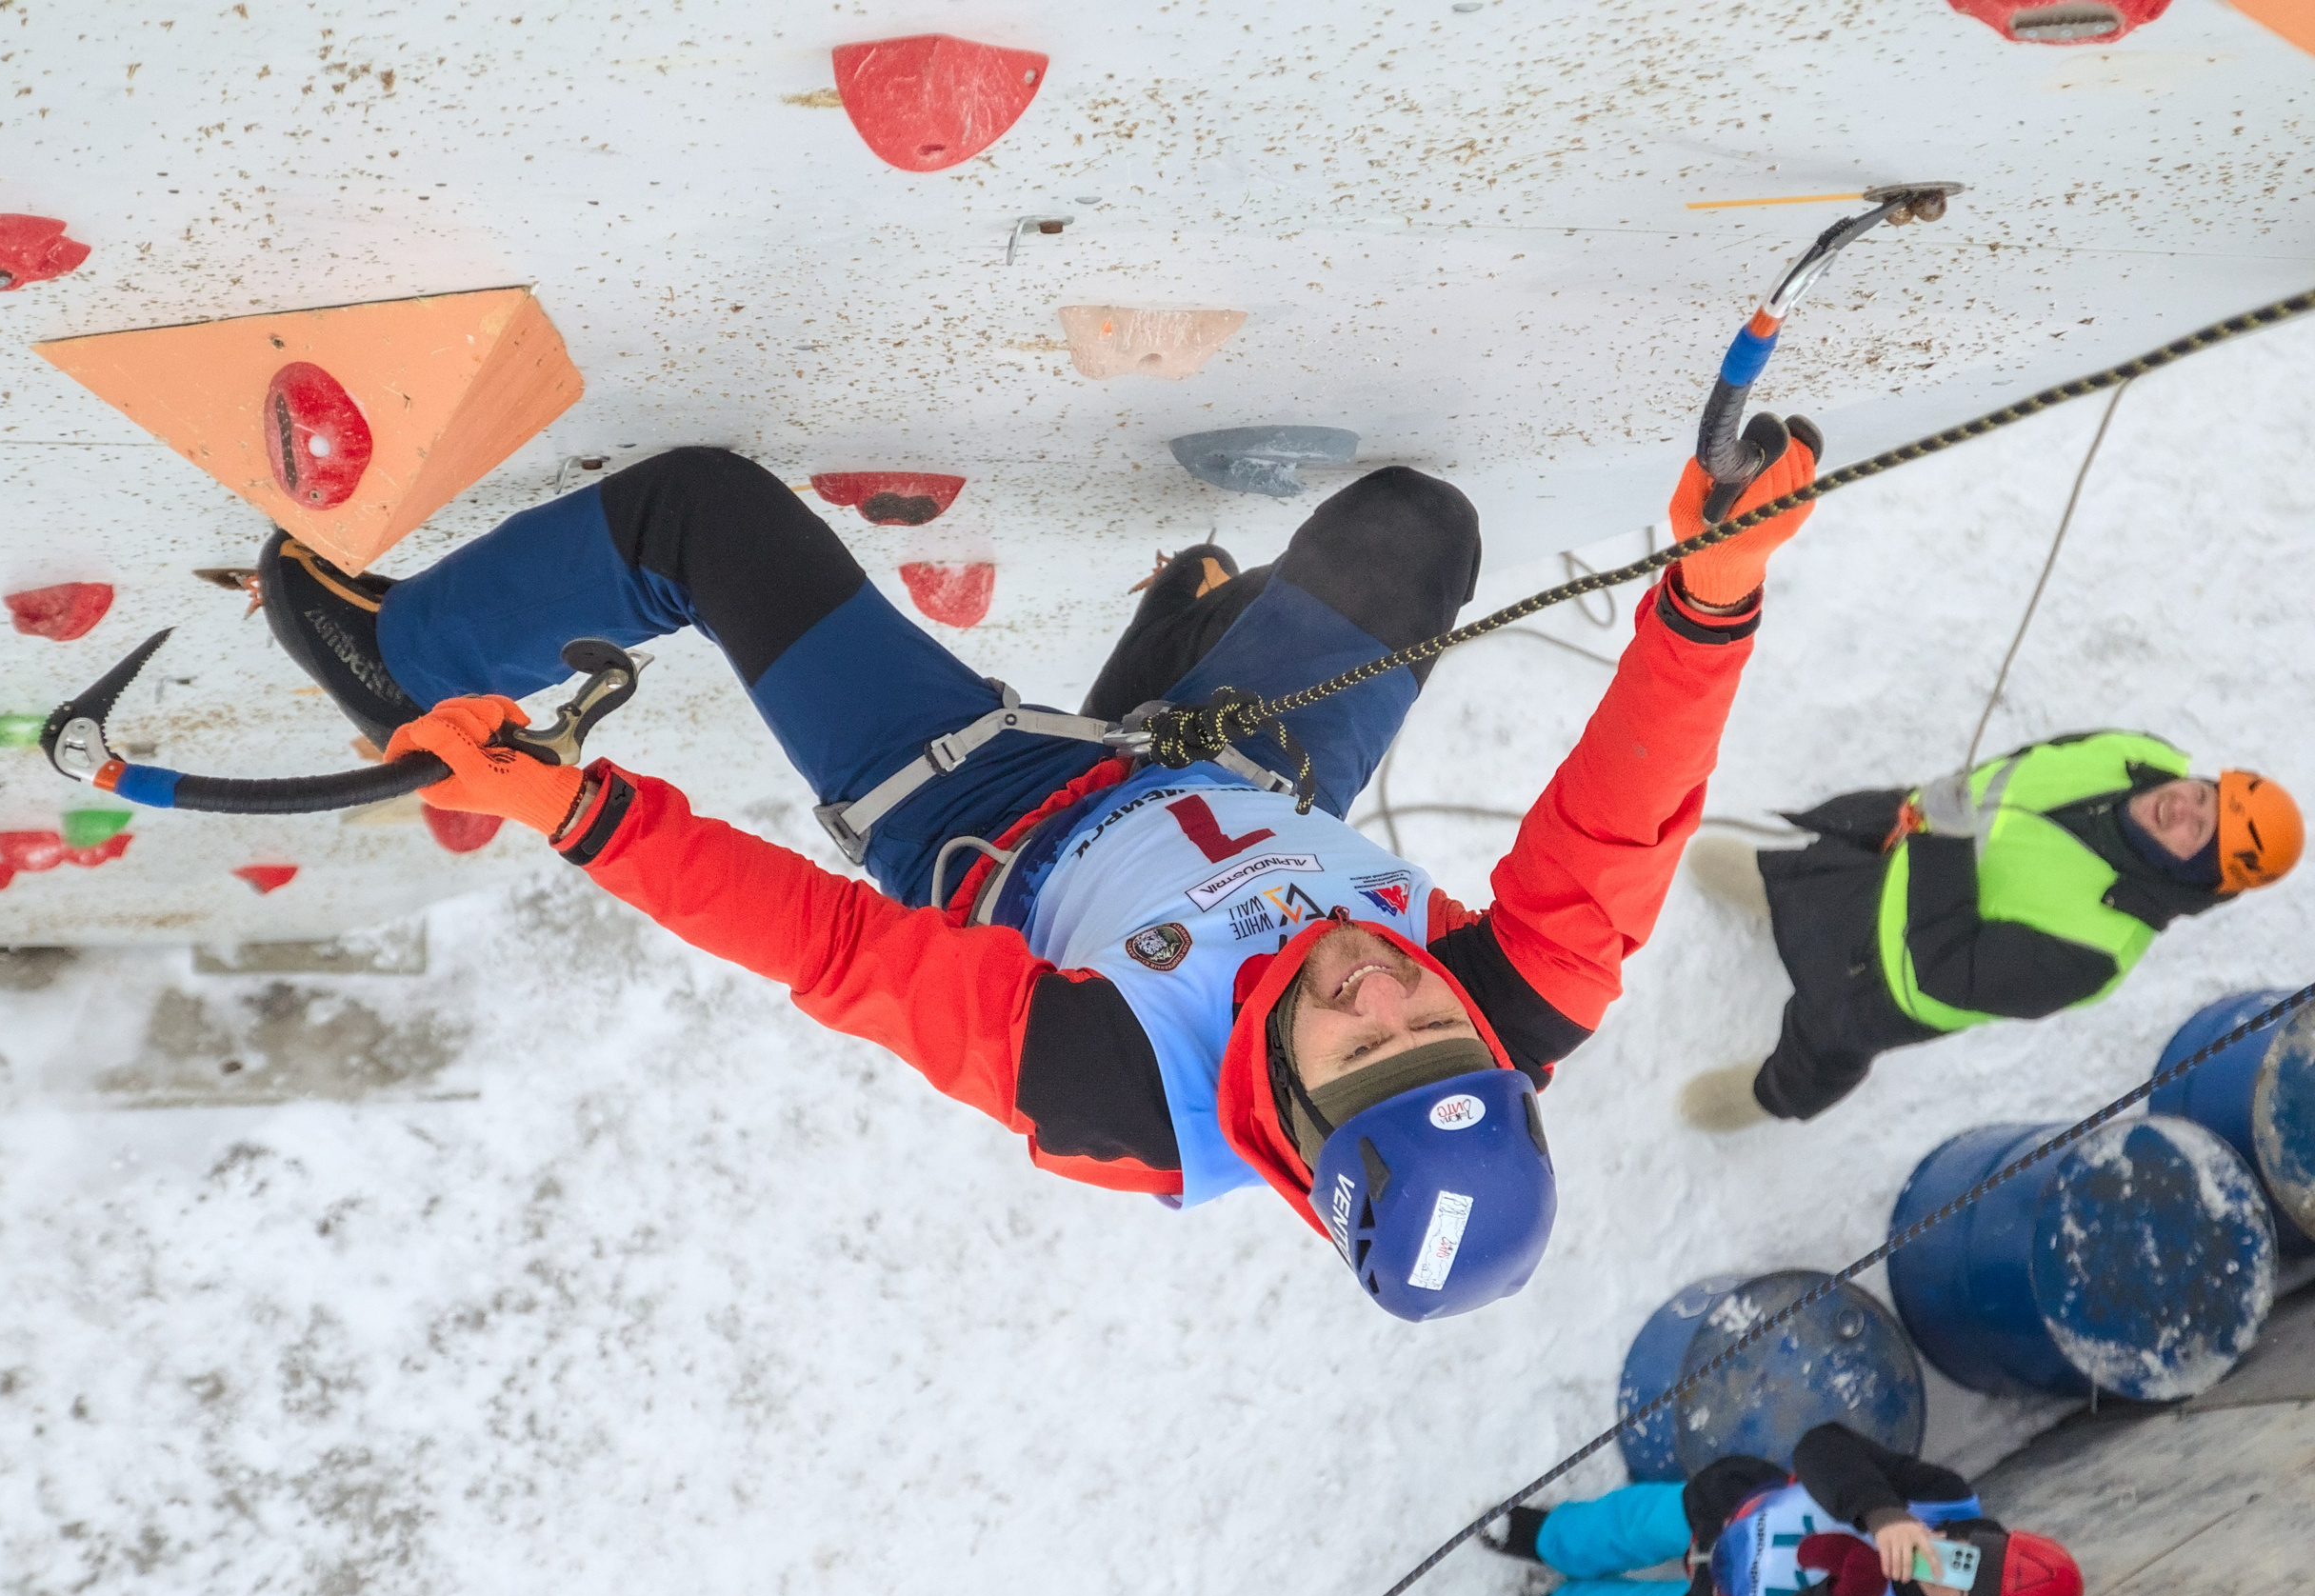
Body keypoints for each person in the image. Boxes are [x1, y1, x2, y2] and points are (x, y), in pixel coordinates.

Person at [253, 417, 1820, 1322]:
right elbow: (1634, 807)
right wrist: (1715, 589)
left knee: (700, 511)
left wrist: (579, 808)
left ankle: (407, 659)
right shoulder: (1524, 993)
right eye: (1437, 1022)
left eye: (1362, 1045)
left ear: (1295, 1121)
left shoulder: (1110, 1087)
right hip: (1236, 777)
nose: (1385, 984)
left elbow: (837, 952)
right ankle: (1162, 679)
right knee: (1418, 533)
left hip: (972, 793)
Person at [1679, 732, 2303, 1129]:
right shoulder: (2137, 756)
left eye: (2199, 832)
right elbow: (2016, 773)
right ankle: (1770, 893)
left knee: (1813, 1057)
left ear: (2197, 872)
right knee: (1800, 881)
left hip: (1879, 985)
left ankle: (1760, 1099)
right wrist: (1923, 812)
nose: (2181, 808)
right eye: (2203, 795)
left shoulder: (2099, 949)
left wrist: (1942, 840)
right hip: (1888, 860)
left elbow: (1945, 970)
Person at [1483, 1420, 2083, 1596]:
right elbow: (1823, 1445)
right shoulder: (1941, 1498)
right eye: (1970, 1552)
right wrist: (1883, 1513)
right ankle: (1547, 1537)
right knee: (1629, 1522)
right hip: (1738, 1510)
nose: (1945, 1560)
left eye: (1962, 1586)